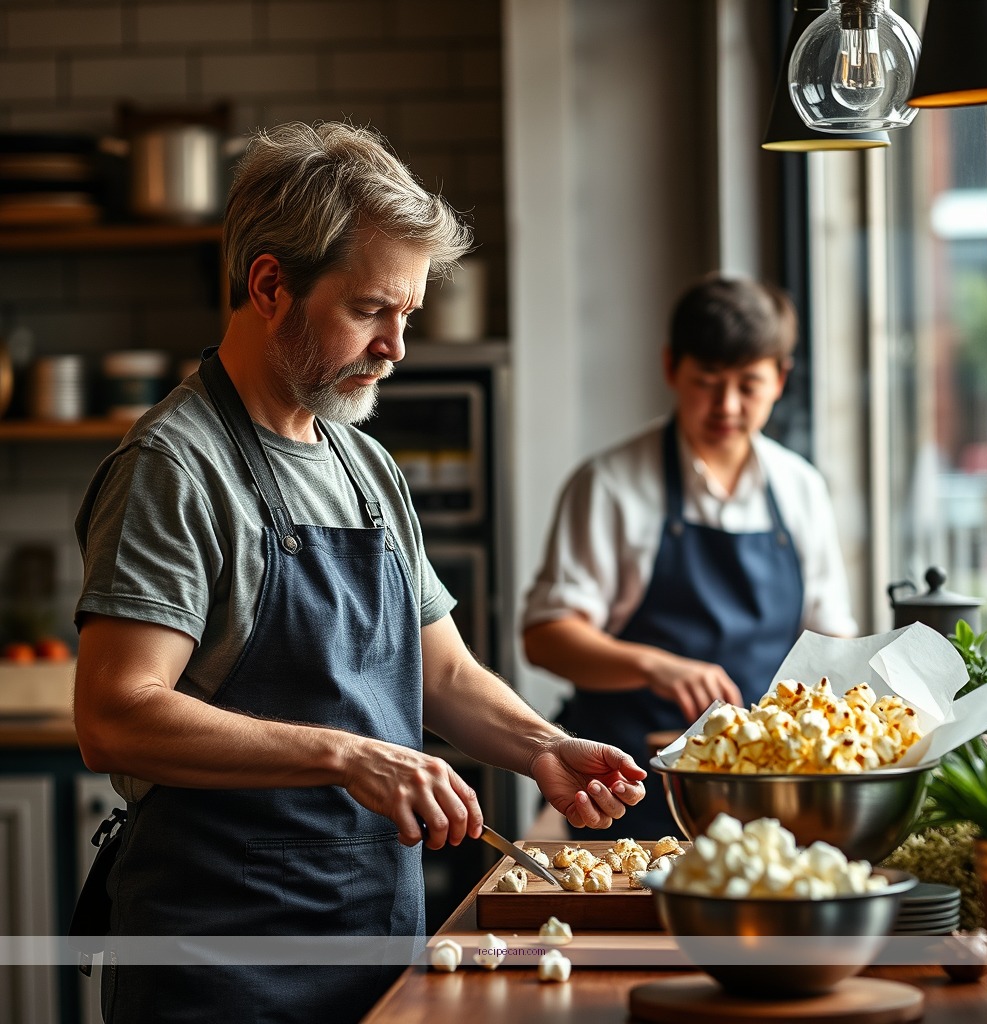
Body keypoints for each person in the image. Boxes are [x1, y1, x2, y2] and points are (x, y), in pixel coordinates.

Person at [72, 121, 646, 1024]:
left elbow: (442, 673)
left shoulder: (363, 465)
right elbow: (115, 716)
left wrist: (544, 747)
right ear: (271, 286)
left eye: (406, 315)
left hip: (372, 947)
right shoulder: (175, 468)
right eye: (372, 310)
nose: (395, 347)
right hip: (221, 967)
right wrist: (348, 755)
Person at [521, 274, 856, 840]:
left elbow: (831, 646)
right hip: (630, 794)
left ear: (780, 378)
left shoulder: (801, 488)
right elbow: (546, 637)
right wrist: (655, 666)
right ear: (671, 367)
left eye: (749, 385)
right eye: (707, 382)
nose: (728, 406)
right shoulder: (610, 485)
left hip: (768, 798)